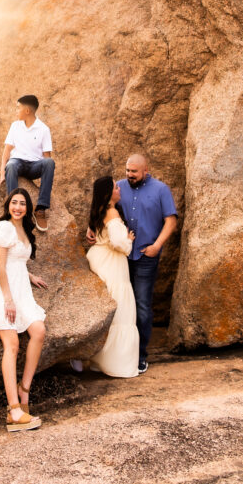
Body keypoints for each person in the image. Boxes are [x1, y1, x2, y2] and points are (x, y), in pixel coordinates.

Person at [87, 154, 177, 374]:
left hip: (146, 255)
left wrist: (157, 246)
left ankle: (140, 355)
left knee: (143, 306)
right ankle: (108, 355)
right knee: (118, 306)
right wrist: (91, 229)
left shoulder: (161, 189)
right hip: (121, 259)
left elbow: (171, 220)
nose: (129, 175)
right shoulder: (118, 188)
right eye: (127, 170)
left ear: (146, 170)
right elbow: (102, 209)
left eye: (134, 172)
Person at [0, 187, 48, 432]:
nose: (18, 207)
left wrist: (30, 275)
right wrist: (8, 300)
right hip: (2, 290)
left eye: (22, 204)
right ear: (8, 205)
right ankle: (13, 410)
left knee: (39, 331)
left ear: (27, 208)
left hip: (21, 288)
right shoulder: (4, 228)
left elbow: (16, 260)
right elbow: (1, 267)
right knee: (12, 345)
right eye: (14, 203)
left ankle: (25, 390)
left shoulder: (24, 229)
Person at [84, 176, 139, 378]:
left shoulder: (98, 212)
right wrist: (129, 241)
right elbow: (118, 243)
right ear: (109, 193)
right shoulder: (112, 212)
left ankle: (100, 360)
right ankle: (118, 364)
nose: (119, 189)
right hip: (112, 262)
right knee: (121, 310)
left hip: (99, 259)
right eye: (116, 187)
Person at [0, 94, 55, 232]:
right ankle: (12, 208)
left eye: (18, 108)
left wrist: (44, 180)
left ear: (27, 111)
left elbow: (47, 157)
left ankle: (40, 209)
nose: (16, 111)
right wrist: (2, 174)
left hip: (34, 166)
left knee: (49, 162)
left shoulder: (43, 129)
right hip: (17, 163)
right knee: (11, 164)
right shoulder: (15, 126)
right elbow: (6, 151)